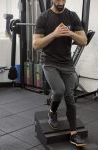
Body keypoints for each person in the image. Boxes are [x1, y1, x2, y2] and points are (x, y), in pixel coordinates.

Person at [33, 0, 87, 147]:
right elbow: (36, 44)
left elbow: (83, 40)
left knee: (70, 95)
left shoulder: (72, 16)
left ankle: (73, 134)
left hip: (67, 63)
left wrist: (70, 32)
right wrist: (54, 34)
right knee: (59, 90)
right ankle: (52, 112)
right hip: (49, 62)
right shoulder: (43, 17)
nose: (60, 2)